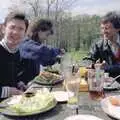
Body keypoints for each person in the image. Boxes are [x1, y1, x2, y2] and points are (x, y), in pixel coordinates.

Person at [0, 11, 37, 100]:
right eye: (12, 27)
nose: (16, 32)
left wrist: (19, 84)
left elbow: (10, 78)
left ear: (24, 34)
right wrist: (8, 91)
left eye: (21, 29)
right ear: (3, 29)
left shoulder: (16, 53)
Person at [86, 11, 120, 78]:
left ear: (118, 29)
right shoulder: (98, 45)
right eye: (102, 28)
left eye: (107, 28)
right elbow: (88, 59)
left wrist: (106, 68)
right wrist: (93, 65)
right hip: (108, 85)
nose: (104, 32)